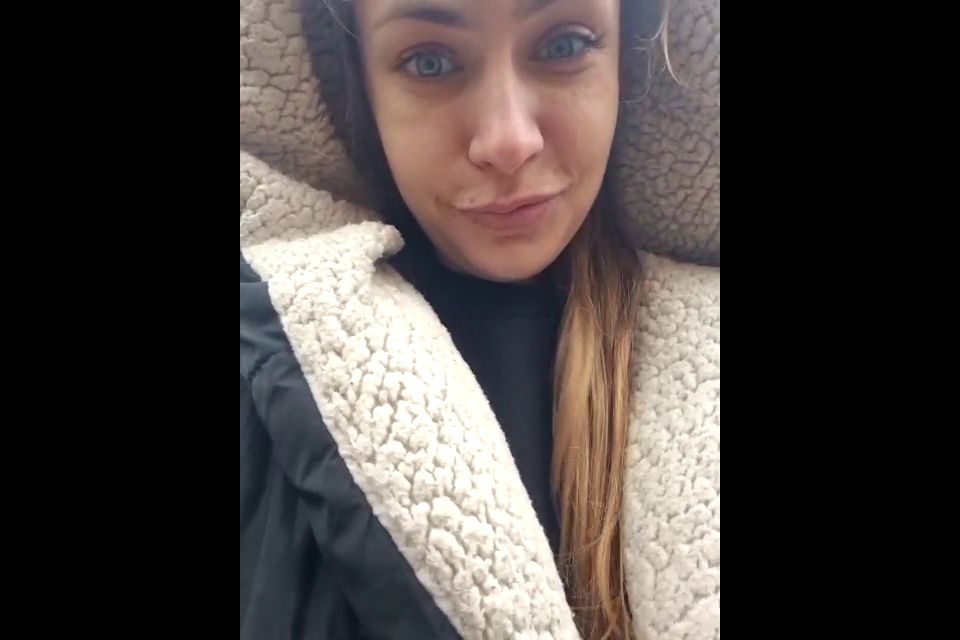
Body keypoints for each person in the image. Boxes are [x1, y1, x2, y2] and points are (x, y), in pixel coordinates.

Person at [240, 0, 718, 638]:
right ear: (357, 86)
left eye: (564, 44)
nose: (508, 142)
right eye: (430, 62)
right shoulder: (267, 380)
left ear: (627, 62)